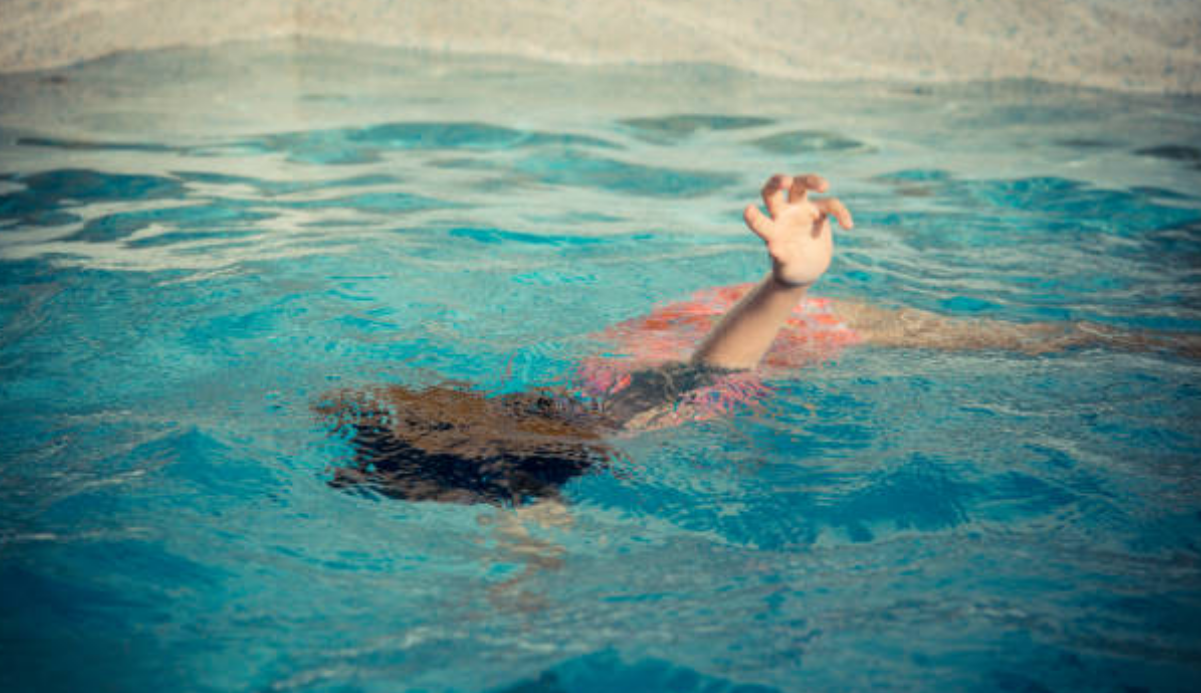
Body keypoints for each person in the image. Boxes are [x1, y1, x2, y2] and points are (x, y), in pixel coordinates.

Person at [319, 173, 1196, 507]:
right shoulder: (606, 408)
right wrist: (784, 286)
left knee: (1056, 340)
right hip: (749, 339)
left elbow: (700, 370)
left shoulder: (586, 402)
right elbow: (705, 373)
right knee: (1058, 341)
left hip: (723, 336)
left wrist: (782, 285)